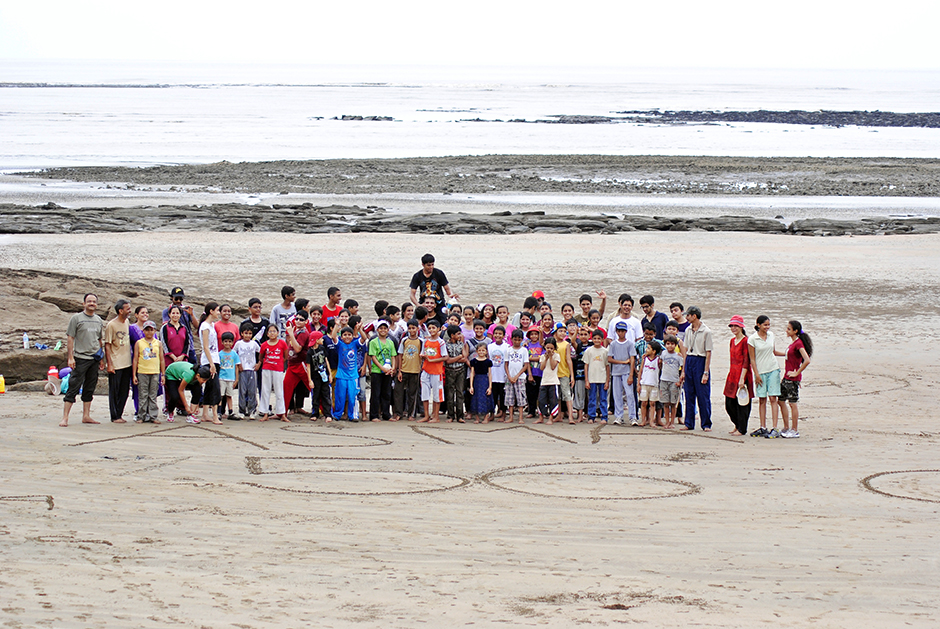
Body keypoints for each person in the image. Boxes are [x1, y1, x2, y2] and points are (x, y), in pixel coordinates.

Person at [61, 293, 105, 427]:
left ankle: (86, 416)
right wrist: (70, 357)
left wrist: (101, 358)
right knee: (73, 386)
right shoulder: (76, 318)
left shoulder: (98, 320)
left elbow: (99, 340)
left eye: (94, 302)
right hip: (80, 358)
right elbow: (70, 337)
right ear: (84, 304)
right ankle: (65, 417)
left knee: (90, 387)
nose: (92, 303)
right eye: (89, 301)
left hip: (94, 358)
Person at [776, 320, 813, 439]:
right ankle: (786, 427)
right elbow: (788, 354)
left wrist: (797, 372)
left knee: (792, 403)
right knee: (781, 401)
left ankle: (794, 429)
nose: (786, 331)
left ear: (795, 331)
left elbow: (807, 360)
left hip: (793, 378)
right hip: (786, 377)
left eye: (789, 329)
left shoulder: (798, 343)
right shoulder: (793, 344)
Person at [748, 315, 782, 438]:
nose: (767, 327)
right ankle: (763, 427)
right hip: (760, 371)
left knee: (773, 398)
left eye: (768, 325)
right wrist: (756, 375)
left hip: (773, 369)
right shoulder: (752, 339)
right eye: (765, 325)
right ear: (758, 325)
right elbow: (752, 359)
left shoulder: (771, 335)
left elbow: (773, 352)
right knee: (762, 399)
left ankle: (775, 427)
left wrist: (788, 354)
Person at [680, 306, 712, 432]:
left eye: (688, 315)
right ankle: (689, 422)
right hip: (690, 360)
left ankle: (706, 423)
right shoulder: (688, 330)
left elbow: (708, 352)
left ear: (694, 316)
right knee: (689, 393)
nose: (686, 318)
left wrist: (706, 372)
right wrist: (684, 370)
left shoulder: (706, 331)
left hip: (700, 360)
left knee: (703, 395)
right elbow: (685, 350)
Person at [104, 299, 133, 424]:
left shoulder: (127, 322)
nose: (130, 311)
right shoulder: (111, 325)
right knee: (114, 391)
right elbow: (107, 345)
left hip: (127, 362)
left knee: (124, 391)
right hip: (116, 363)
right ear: (120, 311)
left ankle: (119, 413)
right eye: (127, 309)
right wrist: (109, 364)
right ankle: (114, 416)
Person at [724, 315, 753, 436]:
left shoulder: (746, 341)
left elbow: (746, 360)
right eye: (732, 326)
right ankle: (736, 424)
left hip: (743, 374)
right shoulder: (732, 341)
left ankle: (742, 428)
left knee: (742, 403)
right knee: (729, 403)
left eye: (736, 326)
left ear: (741, 327)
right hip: (732, 374)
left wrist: (742, 378)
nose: (733, 328)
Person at [410, 253, 459, 324]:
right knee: (414, 322)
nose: (431, 267)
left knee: (446, 321)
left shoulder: (439, 273)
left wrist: (451, 296)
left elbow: (447, 289)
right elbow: (412, 294)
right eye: (428, 265)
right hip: (424, 302)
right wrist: (418, 305)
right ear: (423, 265)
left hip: (439, 302)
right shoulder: (417, 276)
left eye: (432, 264)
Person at [132, 320, 164, 424]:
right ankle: (141, 415)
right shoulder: (139, 343)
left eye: (151, 330)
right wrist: (134, 375)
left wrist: (163, 374)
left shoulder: (158, 343)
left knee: (153, 395)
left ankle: (153, 416)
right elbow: (135, 359)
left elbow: (161, 359)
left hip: (155, 372)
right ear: (143, 331)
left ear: (155, 331)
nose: (149, 332)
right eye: (147, 330)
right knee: (143, 394)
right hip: (142, 372)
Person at [333, 324, 368, 422]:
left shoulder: (355, 344)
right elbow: (333, 337)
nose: (347, 337)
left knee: (352, 397)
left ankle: (352, 415)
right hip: (341, 375)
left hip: (353, 376)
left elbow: (364, 338)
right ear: (341, 337)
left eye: (349, 335)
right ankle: (337, 414)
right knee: (340, 396)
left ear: (352, 336)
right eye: (345, 335)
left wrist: (360, 329)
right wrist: (336, 325)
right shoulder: (340, 345)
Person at [607, 321, 637, 426]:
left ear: (626, 332)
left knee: (629, 394)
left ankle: (633, 417)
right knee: (617, 395)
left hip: (626, 372)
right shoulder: (613, 344)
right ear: (616, 332)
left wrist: (631, 375)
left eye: (623, 331)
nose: (621, 333)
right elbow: (610, 358)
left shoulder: (630, 344)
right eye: (619, 331)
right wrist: (623, 362)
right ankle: (619, 416)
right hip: (616, 372)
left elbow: (632, 359)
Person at [197, 302, 222, 424]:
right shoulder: (205, 326)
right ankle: (215, 415)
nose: (219, 313)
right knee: (214, 388)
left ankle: (205, 414)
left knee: (210, 387)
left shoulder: (212, 325)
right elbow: (206, 347)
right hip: (208, 360)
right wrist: (211, 364)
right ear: (211, 311)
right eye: (217, 310)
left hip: (215, 359)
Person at [417, 319, 447, 423]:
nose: (431, 330)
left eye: (433, 328)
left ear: (438, 329)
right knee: (425, 393)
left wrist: (431, 360)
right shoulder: (425, 341)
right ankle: (426, 415)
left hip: (437, 371)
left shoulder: (441, 342)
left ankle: (436, 416)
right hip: (426, 370)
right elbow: (422, 354)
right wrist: (423, 357)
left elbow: (445, 357)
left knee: (437, 395)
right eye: (429, 328)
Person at [283, 310, 311, 415]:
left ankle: (325, 411)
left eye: (301, 320)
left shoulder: (303, 333)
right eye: (297, 319)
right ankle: (282, 412)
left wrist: (291, 334)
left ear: (306, 321)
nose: (298, 321)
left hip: (300, 364)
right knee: (286, 387)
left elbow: (298, 348)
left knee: (311, 385)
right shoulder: (296, 331)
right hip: (292, 364)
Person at [368, 320, 398, 421]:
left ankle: (386, 414)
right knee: (376, 393)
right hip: (377, 371)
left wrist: (393, 368)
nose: (383, 330)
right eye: (381, 328)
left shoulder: (390, 342)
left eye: (385, 328)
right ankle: (374, 415)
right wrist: (382, 368)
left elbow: (393, 356)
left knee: (387, 393)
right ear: (377, 330)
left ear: (388, 330)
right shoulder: (373, 342)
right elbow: (373, 357)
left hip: (388, 371)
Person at [259, 324, 289, 422]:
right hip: (266, 369)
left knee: (279, 391)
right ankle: (265, 413)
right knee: (265, 390)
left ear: (278, 333)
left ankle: (282, 413)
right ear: (267, 334)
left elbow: (285, 356)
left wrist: (279, 362)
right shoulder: (264, 345)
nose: (272, 333)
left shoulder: (282, 343)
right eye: (270, 331)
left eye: (274, 331)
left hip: (278, 369)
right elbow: (261, 357)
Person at [395, 319, 423, 420]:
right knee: (399, 392)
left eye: (413, 328)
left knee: (412, 393)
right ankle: (399, 413)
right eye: (409, 328)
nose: (411, 330)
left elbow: (422, 356)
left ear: (417, 328)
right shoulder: (404, 340)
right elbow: (400, 355)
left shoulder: (421, 341)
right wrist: (399, 370)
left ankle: (411, 414)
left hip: (415, 370)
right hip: (404, 369)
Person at [504, 329, 530, 424]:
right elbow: (506, 364)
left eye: (519, 340)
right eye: (515, 339)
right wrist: (509, 376)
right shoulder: (508, 350)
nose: (517, 342)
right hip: (509, 377)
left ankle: (520, 417)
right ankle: (510, 417)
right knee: (510, 397)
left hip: (520, 377)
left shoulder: (524, 351)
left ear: (522, 340)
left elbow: (526, 365)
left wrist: (517, 376)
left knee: (520, 397)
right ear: (511, 339)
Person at [234, 323, 260, 419]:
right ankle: (241, 410)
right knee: (242, 391)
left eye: (250, 333)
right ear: (241, 333)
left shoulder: (254, 343)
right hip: (242, 370)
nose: (248, 335)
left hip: (252, 370)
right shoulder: (238, 344)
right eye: (246, 333)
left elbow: (261, 352)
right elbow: (234, 354)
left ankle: (252, 410)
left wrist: (258, 363)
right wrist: (238, 364)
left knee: (252, 391)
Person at [583, 329, 610, 423]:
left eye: (599, 338)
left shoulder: (605, 351)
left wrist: (607, 381)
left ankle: (604, 416)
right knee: (592, 398)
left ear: (602, 339)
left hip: (602, 378)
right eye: (595, 338)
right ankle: (591, 416)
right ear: (592, 339)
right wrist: (586, 380)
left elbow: (607, 366)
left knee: (603, 399)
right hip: (592, 379)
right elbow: (586, 365)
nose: (597, 340)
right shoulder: (589, 351)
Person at [443, 325, 468, 423]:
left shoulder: (461, 344)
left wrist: (455, 358)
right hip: (449, 371)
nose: (460, 335)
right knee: (449, 394)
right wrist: (458, 357)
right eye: (458, 334)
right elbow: (447, 360)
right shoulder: (446, 345)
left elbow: (464, 358)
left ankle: (460, 415)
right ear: (452, 335)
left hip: (460, 370)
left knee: (460, 393)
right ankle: (450, 415)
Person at [306, 331, 332, 421]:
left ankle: (328, 414)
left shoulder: (322, 348)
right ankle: (315, 413)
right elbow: (308, 366)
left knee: (326, 395)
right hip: (315, 377)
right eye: (321, 338)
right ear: (316, 340)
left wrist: (330, 374)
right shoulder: (310, 352)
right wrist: (310, 380)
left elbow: (326, 361)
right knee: (315, 396)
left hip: (324, 375)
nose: (323, 340)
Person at [659, 335, 683, 429]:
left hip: (674, 381)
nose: (670, 346)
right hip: (664, 380)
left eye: (672, 344)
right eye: (668, 344)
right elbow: (660, 363)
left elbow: (682, 368)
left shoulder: (678, 356)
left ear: (675, 345)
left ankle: (672, 422)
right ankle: (667, 421)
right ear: (665, 345)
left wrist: (680, 379)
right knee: (665, 402)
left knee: (673, 403)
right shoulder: (663, 353)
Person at [637, 340, 663, 427]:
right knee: (643, 403)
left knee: (652, 403)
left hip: (654, 384)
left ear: (654, 351)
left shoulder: (658, 360)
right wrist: (638, 384)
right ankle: (643, 420)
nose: (646, 350)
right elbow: (640, 371)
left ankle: (652, 421)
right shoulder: (644, 359)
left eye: (648, 348)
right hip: (644, 383)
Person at [536, 337, 561, 423]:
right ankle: (541, 417)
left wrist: (550, 357)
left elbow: (553, 366)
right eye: (547, 348)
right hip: (544, 381)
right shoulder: (543, 356)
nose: (549, 350)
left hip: (553, 381)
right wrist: (546, 358)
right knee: (541, 400)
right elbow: (541, 368)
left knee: (553, 401)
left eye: (551, 348)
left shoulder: (556, 356)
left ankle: (551, 418)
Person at [468, 343, 494, 423]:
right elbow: (472, 373)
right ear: (476, 351)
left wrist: (490, 387)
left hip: (485, 381)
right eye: (479, 350)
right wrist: (471, 386)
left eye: (483, 350)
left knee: (486, 398)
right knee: (476, 398)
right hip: (477, 381)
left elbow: (490, 374)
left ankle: (486, 417)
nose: (481, 352)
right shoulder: (474, 361)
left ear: (486, 351)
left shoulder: (488, 362)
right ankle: (477, 418)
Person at [217, 331, 240, 420]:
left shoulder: (234, 354)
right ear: (222, 342)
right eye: (225, 341)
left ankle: (231, 411)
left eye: (230, 341)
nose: (228, 343)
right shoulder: (220, 354)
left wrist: (236, 379)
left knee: (229, 395)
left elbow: (236, 367)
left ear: (233, 342)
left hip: (231, 378)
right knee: (221, 395)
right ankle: (219, 412)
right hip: (222, 377)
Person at [488, 326, 509, 419]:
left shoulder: (507, 347)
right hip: (493, 375)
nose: (498, 335)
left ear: (504, 335)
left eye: (500, 334)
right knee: (493, 396)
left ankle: (503, 413)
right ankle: (492, 414)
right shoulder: (490, 346)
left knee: (503, 396)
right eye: (496, 333)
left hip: (503, 376)